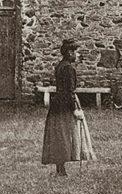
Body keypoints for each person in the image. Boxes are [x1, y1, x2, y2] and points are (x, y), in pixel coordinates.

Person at [41, 38, 96, 176]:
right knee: (66, 135)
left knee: (59, 135)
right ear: (70, 52)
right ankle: (62, 169)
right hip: (66, 104)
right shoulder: (69, 68)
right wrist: (75, 109)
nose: (77, 55)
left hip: (57, 103)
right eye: (76, 52)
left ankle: (60, 169)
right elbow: (69, 91)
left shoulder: (60, 66)